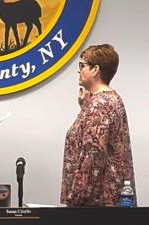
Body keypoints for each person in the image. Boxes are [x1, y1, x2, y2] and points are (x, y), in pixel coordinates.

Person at [60, 44, 136, 207]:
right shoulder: (108, 100)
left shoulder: (100, 105)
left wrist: (77, 197)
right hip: (104, 203)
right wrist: (85, 107)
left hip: (95, 206)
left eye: (82, 66)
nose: (78, 71)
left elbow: (94, 153)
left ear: (95, 70)